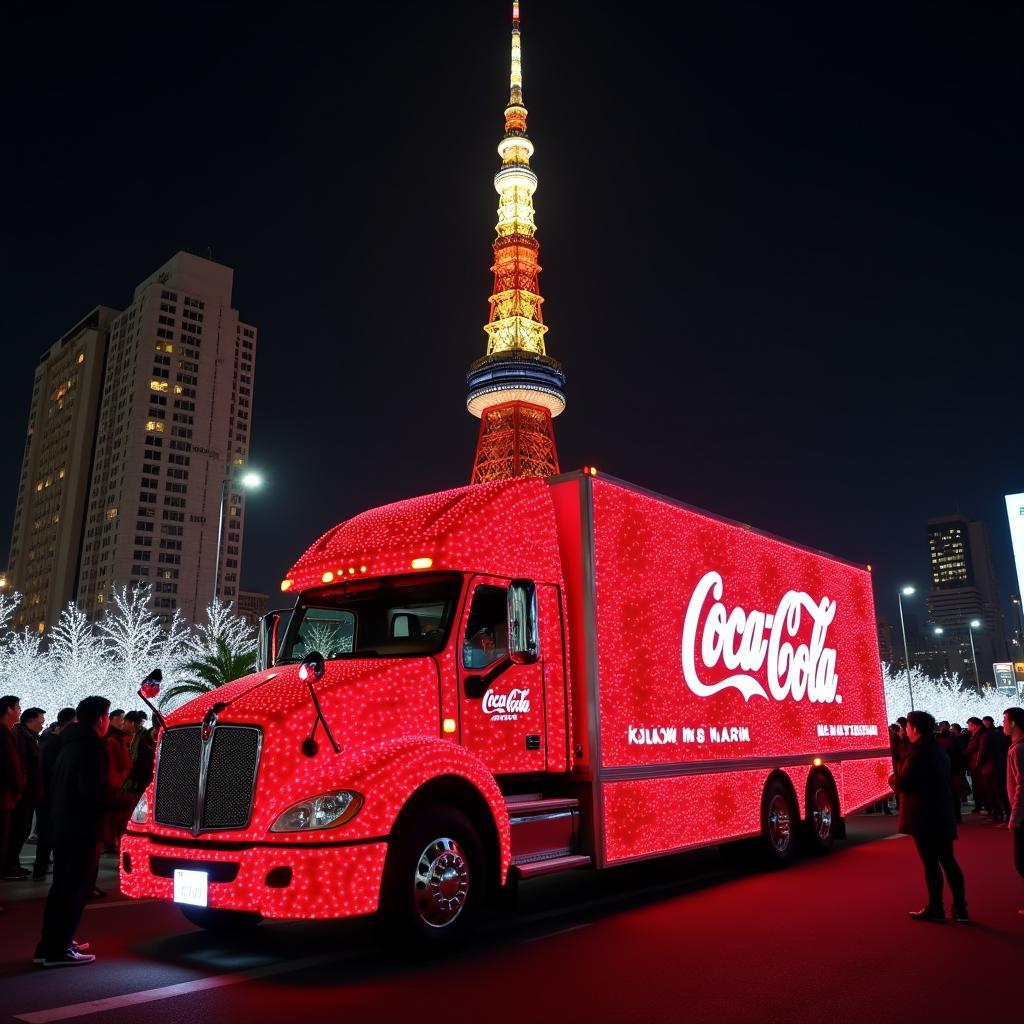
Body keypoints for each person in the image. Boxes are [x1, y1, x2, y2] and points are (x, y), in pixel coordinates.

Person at [35, 696, 134, 967]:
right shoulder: (92, 747)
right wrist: (126, 798)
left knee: (62, 889)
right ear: (102, 718)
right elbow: (94, 792)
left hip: (64, 824)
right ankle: (59, 949)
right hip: (83, 828)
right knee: (73, 890)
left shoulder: (66, 744)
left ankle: (49, 944)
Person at [889, 709, 967, 922]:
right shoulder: (936, 748)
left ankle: (936, 907)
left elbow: (905, 782)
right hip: (940, 813)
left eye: (907, 727)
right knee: (948, 861)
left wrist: (892, 778)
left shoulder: (919, 752)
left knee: (932, 863)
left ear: (913, 728)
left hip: (923, 815)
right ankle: (960, 908)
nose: (905, 730)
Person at [33, 708, 76, 881]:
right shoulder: (58, 744)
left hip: (46, 795)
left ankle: (41, 868)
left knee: (47, 833)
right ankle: (47, 869)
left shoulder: (46, 741)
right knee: (53, 834)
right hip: (53, 796)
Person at [3, 707, 45, 878]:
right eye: (40, 720)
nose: (43, 723)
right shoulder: (20, 736)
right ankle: (9, 866)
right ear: (31, 720)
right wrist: (21, 786)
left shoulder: (28, 737)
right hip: (22, 794)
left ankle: (13, 864)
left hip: (25, 793)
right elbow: (17, 765)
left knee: (21, 830)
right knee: (16, 830)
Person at [0, 696, 26, 912]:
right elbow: (11, 767)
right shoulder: (3, 734)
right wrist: (19, 788)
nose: (19, 711)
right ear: (8, 710)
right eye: (18, 707)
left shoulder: (9, 733)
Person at [1004, 706, 1024, 916]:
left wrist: (1015, 816)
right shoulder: (1016, 747)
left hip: (1022, 814)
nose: (1003, 725)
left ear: (1013, 723)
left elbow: (1022, 785)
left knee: (1021, 862)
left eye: (1005, 720)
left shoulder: (1018, 749)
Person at [936, 720, 967, 823]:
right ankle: (956, 816)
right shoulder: (954, 739)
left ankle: (952, 816)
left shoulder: (938, 739)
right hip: (953, 769)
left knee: (949, 794)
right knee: (953, 794)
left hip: (948, 770)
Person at [983, 715, 1011, 826]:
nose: (1003, 722)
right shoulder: (1000, 735)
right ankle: (1005, 815)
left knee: (996, 793)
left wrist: (978, 763)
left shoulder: (987, 735)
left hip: (991, 767)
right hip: (1000, 766)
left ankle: (1001, 815)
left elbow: (983, 752)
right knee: (1001, 792)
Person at [965, 717, 989, 814]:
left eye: (969, 725)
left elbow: (973, 748)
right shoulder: (975, 735)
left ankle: (986, 807)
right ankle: (980, 805)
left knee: (981, 786)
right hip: (975, 763)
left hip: (978, 764)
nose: (968, 727)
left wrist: (965, 752)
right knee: (977, 786)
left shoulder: (981, 735)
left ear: (975, 725)